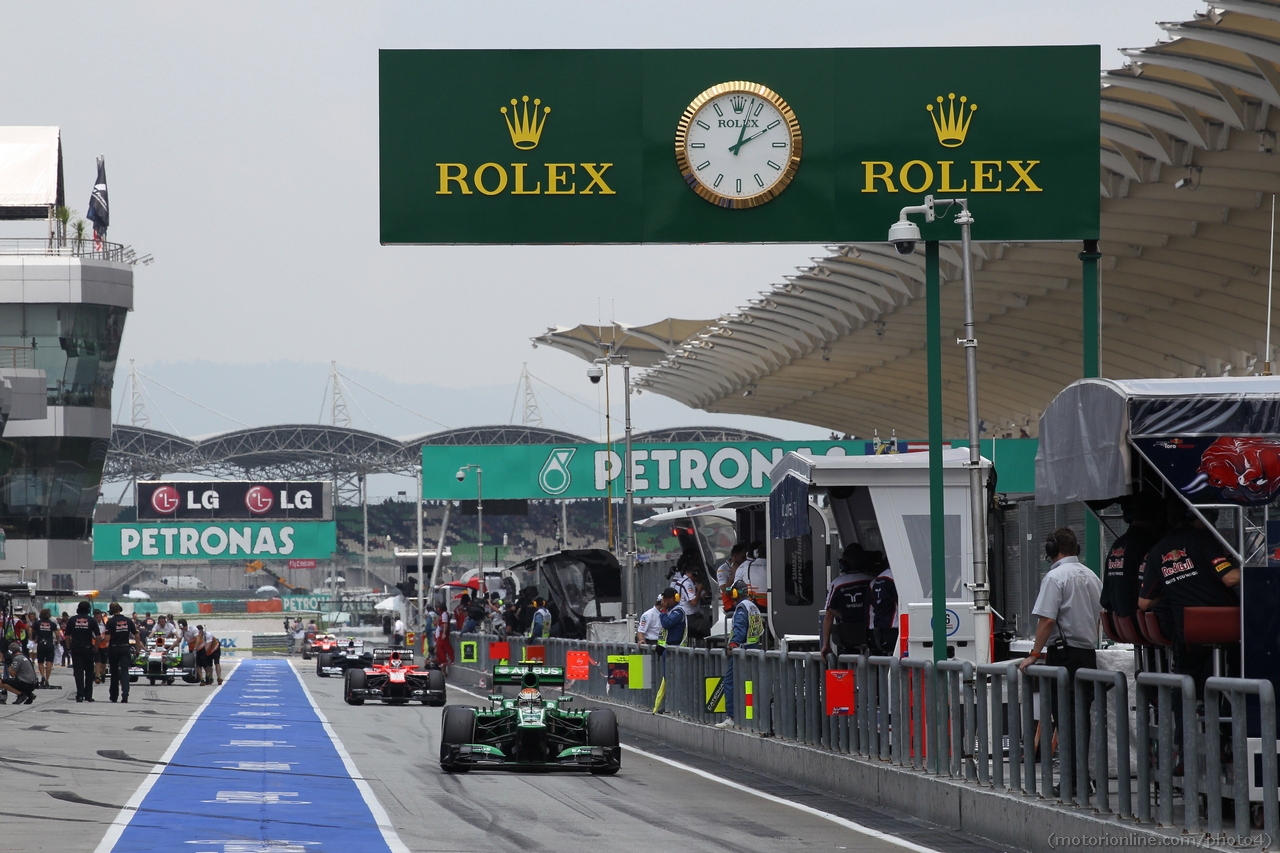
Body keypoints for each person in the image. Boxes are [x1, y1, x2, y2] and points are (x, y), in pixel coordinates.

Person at [1019, 527, 1103, 766]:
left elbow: (1047, 619)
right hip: (1087, 654)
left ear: (1052, 550)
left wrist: (1034, 654)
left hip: (1064, 655)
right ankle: (1079, 776)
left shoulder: (1055, 578)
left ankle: (1072, 779)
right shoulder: (1091, 576)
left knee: (1066, 719)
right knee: (1081, 719)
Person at [1138, 507, 1240, 688]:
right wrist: (1256, 569)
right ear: (1195, 515)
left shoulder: (1156, 551)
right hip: (1226, 626)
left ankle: (1185, 715)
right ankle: (1230, 710)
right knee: (1238, 666)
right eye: (1210, 515)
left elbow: (1144, 603)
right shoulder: (1204, 538)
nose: (1213, 521)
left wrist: (1171, 588)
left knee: (1185, 680)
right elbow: (1229, 578)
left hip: (1186, 631)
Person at [1101, 494, 1164, 619]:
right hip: (1140, 620)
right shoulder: (1149, 545)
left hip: (1120, 620)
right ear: (1156, 515)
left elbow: (1105, 599)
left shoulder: (1118, 544)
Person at [717, 579, 766, 729]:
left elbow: (739, 628)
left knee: (729, 682)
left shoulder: (741, 608)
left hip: (742, 650)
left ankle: (731, 717)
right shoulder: (753, 607)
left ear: (735, 593)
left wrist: (733, 644)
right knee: (751, 685)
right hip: (754, 648)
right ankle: (751, 717)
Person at [820, 544, 874, 658]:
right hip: (870, 633)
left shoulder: (837, 583)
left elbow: (829, 613)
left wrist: (825, 644)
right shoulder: (872, 581)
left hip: (847, 634)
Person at [651, 587, 687, 715]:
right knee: (667, 678)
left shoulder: (678, 612)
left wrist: (663, 611)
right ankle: (668, 706)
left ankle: (673, 707)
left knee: (672, 679)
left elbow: (666, 624)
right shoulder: (671, 611)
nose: (666, 600)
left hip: (676, 649)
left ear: (676, 597)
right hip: (669, 649)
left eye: (668, 598)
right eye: (664, 598)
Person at [65, 601, 100, 702]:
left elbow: (67, 636)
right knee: (89, 672)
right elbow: (98, 636)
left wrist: (68, 647)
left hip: (76, 649)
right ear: (88, 610)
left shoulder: (72, 620)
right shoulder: (91, 620)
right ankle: (88, 695)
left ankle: (80, 694)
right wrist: (96, 646)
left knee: (78, 672)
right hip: (88, 648)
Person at [104, 602, 138, 703]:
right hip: (125, 649)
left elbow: (107, 638)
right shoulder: (128, 621)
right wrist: (138, 649)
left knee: (114, 673)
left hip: (114, 649)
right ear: (120, 609)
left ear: (111, 611)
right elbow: (137, 635)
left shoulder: (110, 622)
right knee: (125, 672)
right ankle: (125, 695)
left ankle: (114, 696)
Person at [671, 553, 708, 644]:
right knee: (707, 627)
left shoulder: (683, 581)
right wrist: (699, 590)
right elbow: (693, 602)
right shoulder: (687, 584)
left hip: (687, 615)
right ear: (695, 574)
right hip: (688, 617)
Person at [869, 552, 899, 656]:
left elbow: (871, 610)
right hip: (895, 629)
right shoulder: (896, 578)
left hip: (879, 630)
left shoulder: (875, 581)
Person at [734, 541, 769, 607]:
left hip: (751, 605)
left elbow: (736, 585)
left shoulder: (746, 567)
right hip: (768, 605)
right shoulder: (771, 567)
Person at [32, 608, 57, 689]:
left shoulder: (37, 623)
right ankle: (47, 679)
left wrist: (32, 638)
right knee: (49, 662)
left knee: (40, 662)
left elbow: (29, 629)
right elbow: (58, 634)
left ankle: (42, 675)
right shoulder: (52, 624)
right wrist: (58, 641)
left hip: (41, 643)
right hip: (50, 644)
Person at [434, 605, 454, 675]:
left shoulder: (444, 614)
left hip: (442, 634)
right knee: (440, 652)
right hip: (440, 634)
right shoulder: (442, 615)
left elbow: (445, 624)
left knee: (443, 650)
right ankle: (443, 671)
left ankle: (450, 660)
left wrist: (444, 633)